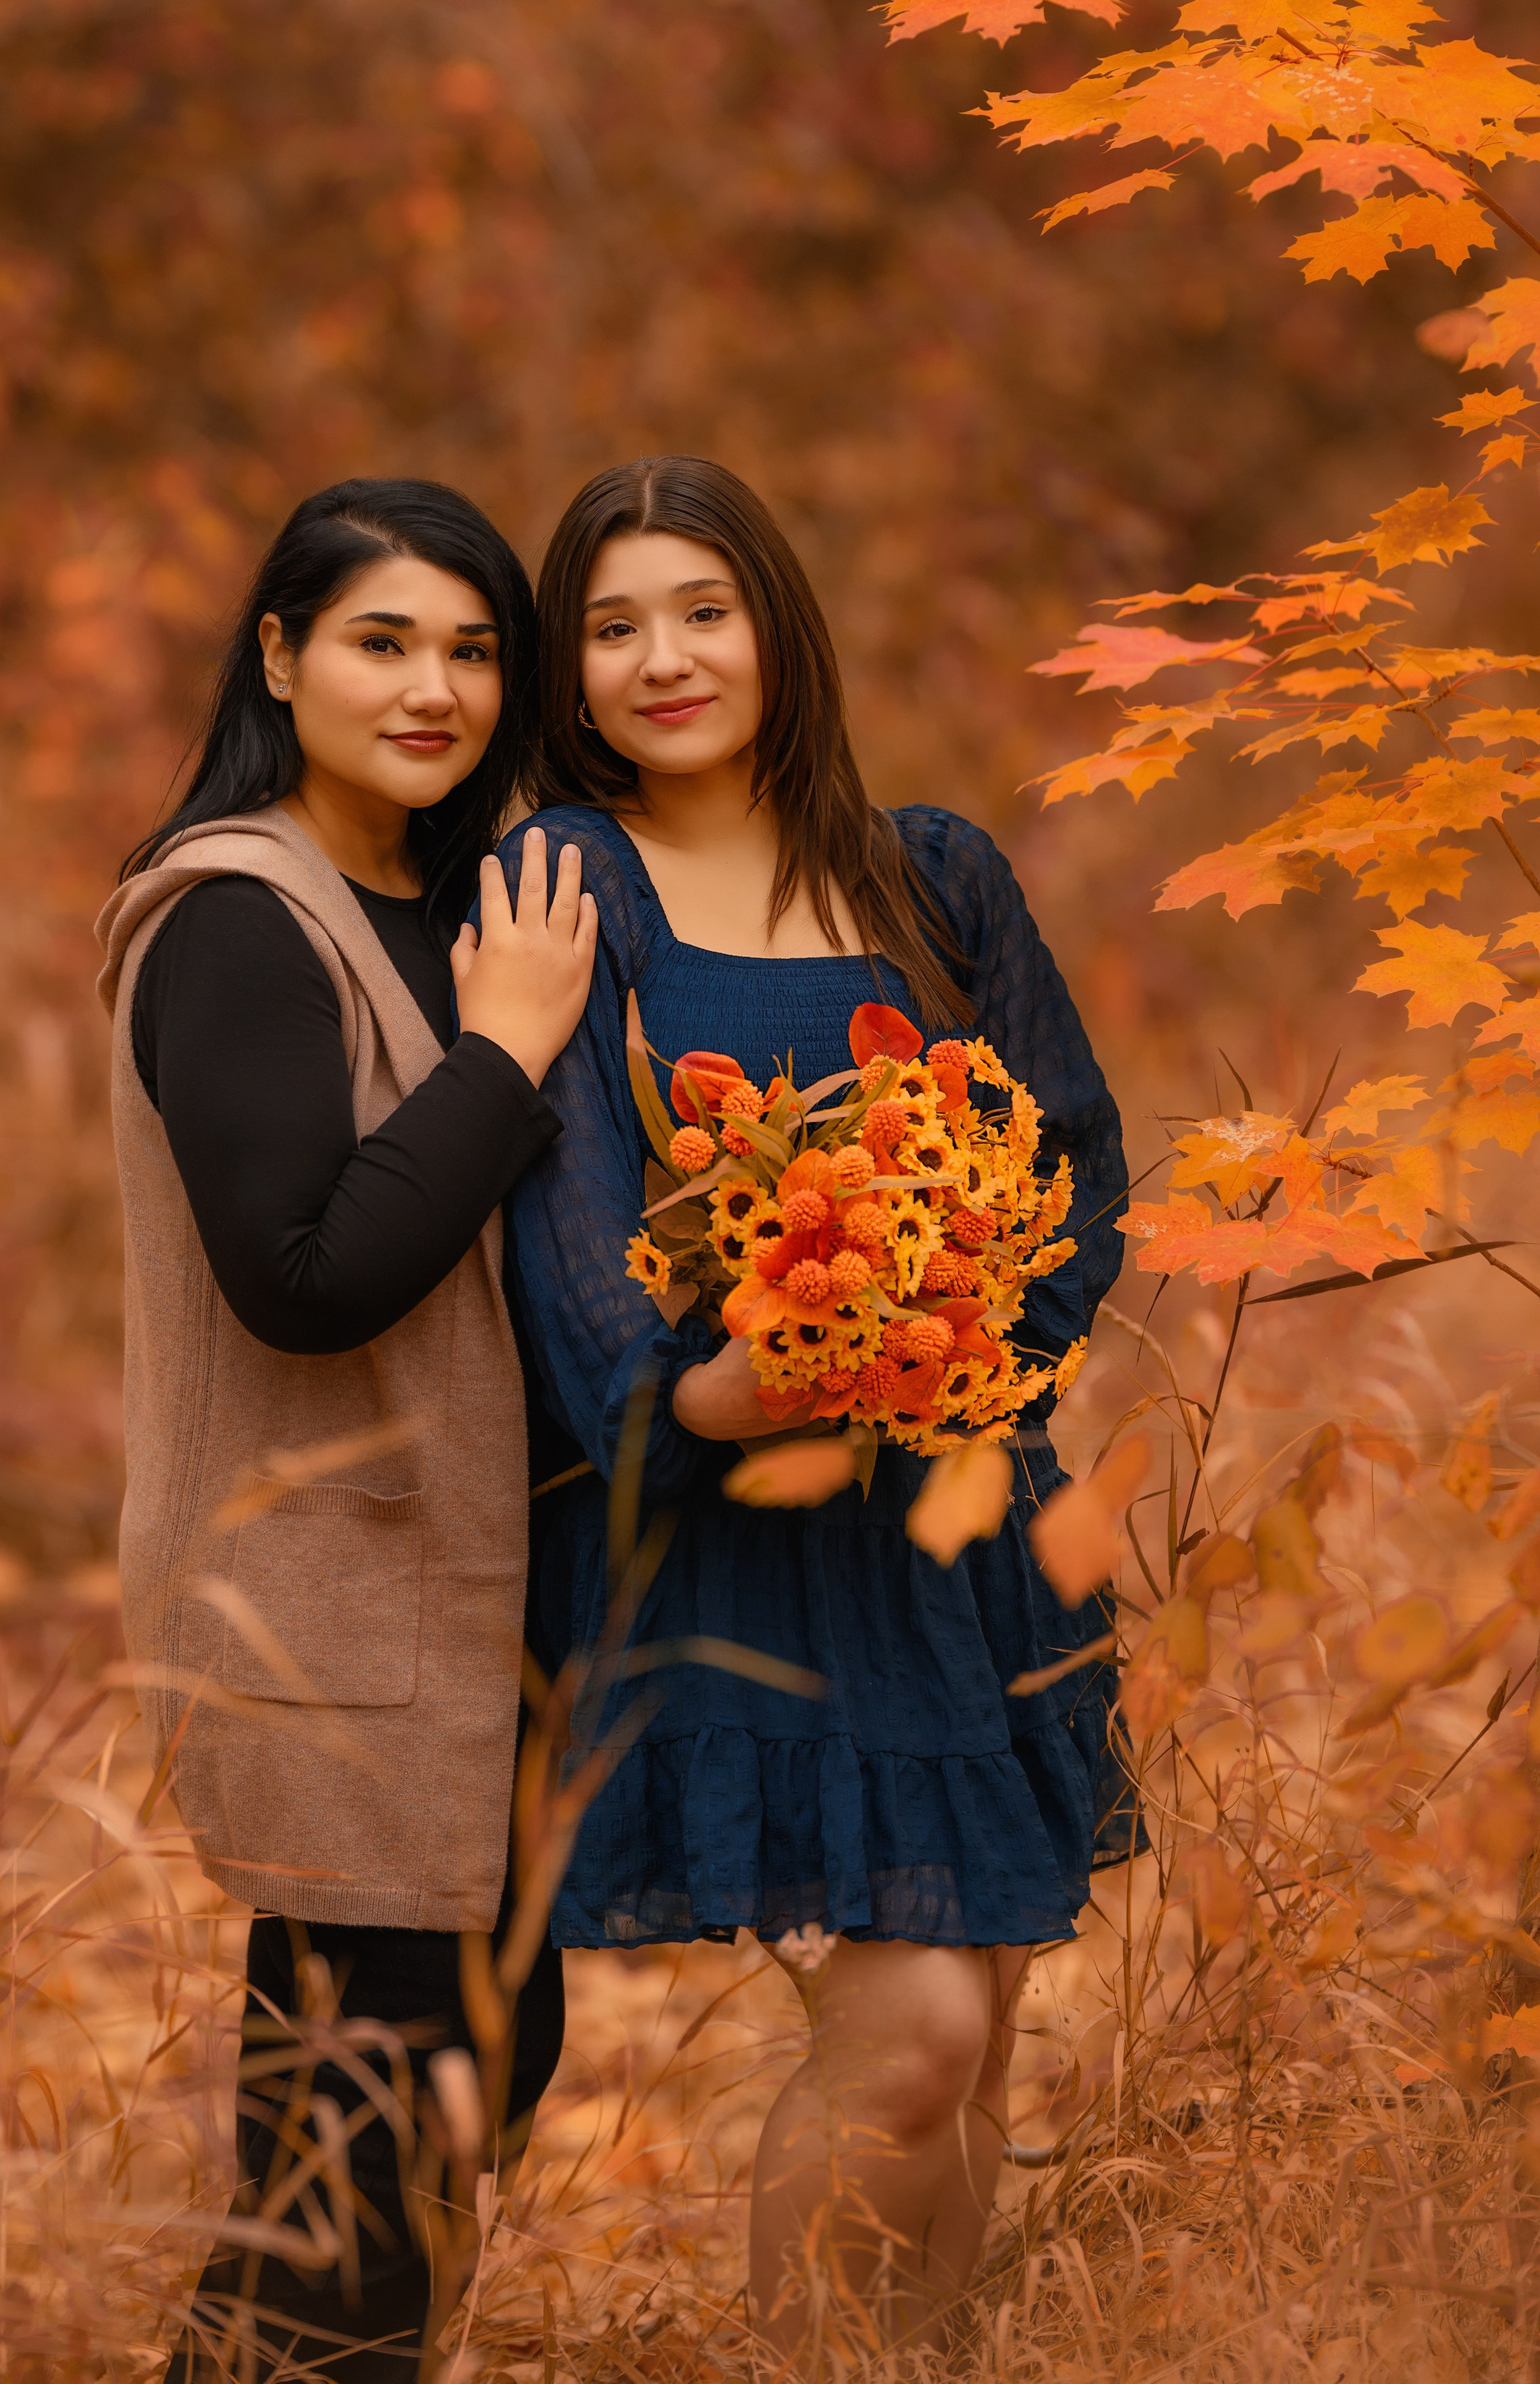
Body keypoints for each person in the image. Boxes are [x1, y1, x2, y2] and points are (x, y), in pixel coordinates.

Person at [494, 454, 1132, 2356]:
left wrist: (963, 1336)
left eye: (703, 609)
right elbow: (569, 1217)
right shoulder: (572, 888)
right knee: (914, 2028)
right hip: (736, 1527)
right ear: (568, 671)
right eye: (610, 629)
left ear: (780, 624)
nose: (663, 658)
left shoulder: (932, 872)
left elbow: (1073, 1165)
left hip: (959, 1505)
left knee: (978, 2029)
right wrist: (714, 1383)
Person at [94, 478, 598, 2383]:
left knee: (430, 2095)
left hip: (474, 1590)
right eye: (385, 641)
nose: (437, 687)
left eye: (477, 650)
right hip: (335, 1602)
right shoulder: (239, 918)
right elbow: (300, 1274)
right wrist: (505, 1053)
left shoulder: (452, 902)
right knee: (368, 2144)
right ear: (284, 654)